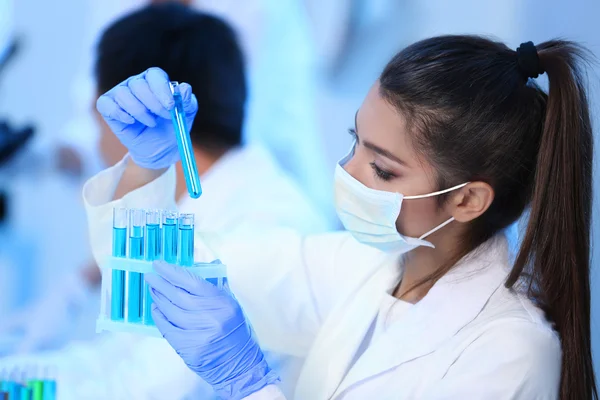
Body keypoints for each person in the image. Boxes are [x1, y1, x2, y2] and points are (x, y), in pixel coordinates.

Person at [88, 35, 597, 399]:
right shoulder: (364, 266)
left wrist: (248, 385)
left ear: (467, 201)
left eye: (380, 168)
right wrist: (148, 168)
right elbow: (173, 277)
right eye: (356, 142)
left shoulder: (511, 352)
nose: (347, 174)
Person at [0, 4, 329, 398]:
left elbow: (142, 389)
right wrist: (18, 376)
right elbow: (118, 358)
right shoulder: (212, 201)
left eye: (97, 111)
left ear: (132, 112)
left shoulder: (256, 229)